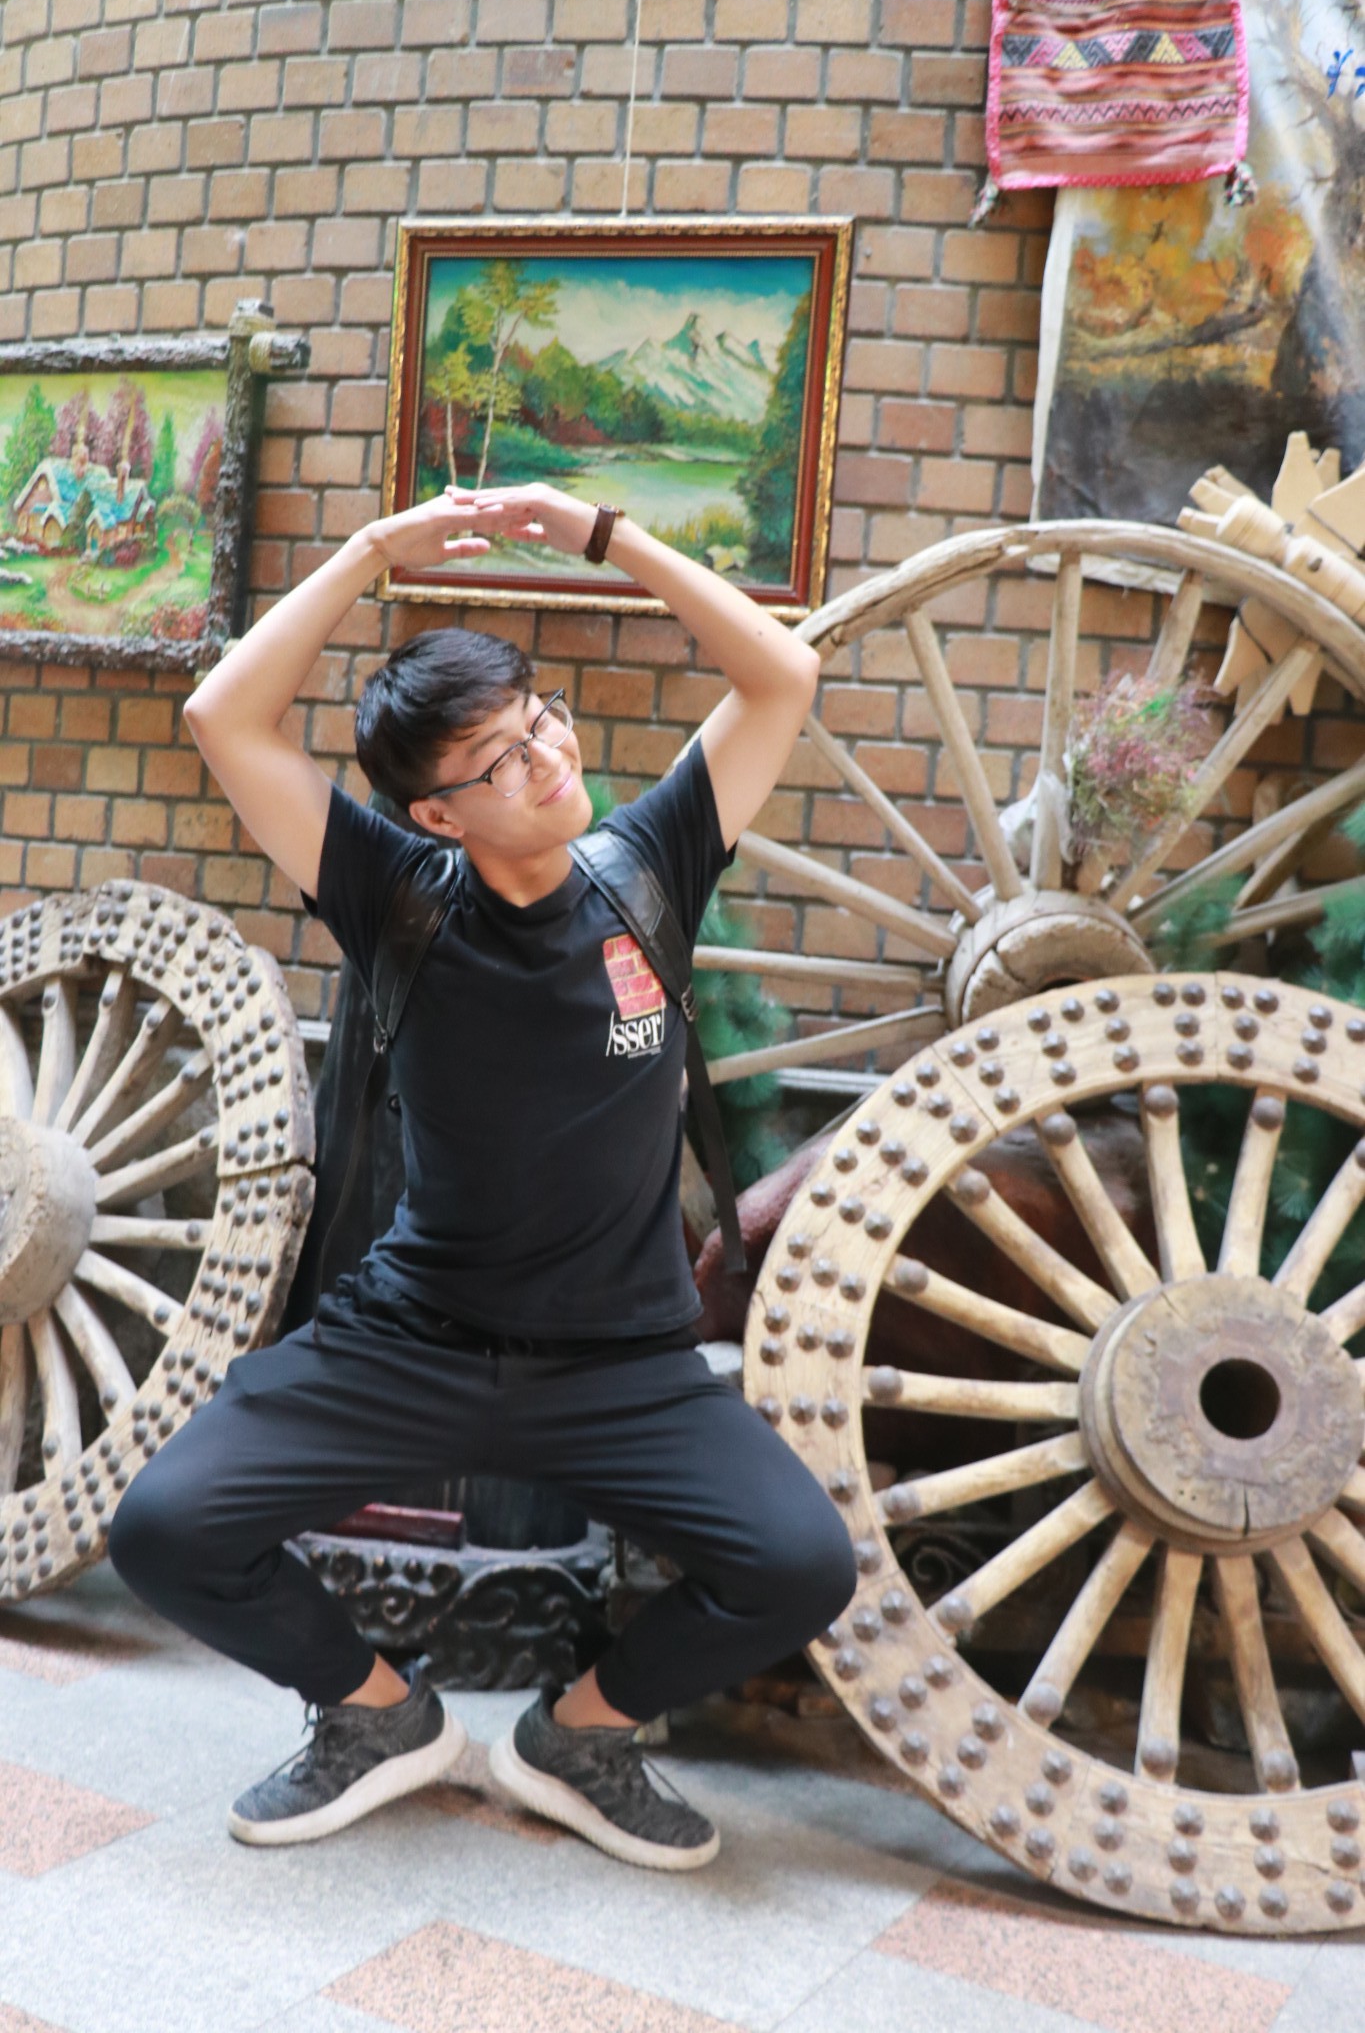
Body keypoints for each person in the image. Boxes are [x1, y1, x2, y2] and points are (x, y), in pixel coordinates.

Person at [108, 481, 858, 1870]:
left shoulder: (649, 867)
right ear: (436, 813)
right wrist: (370, 552)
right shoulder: (395, 895)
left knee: (803, 1565)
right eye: (499, 759)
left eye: (541, 720)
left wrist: (598, 535)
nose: (547, 757)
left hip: (622, 1365)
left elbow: (781, 675)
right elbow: (224, 715)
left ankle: (579, 1738)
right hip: (413, 1344)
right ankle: (378, 1717)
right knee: (164, 1529)